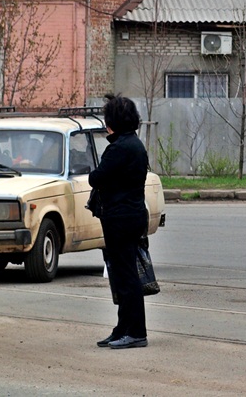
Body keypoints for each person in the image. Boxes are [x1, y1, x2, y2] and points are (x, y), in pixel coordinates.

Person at [88, 96, 151, 349]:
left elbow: (97, 178)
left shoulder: (119, 148)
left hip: (120, 219)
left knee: (126, 277)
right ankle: (123, 328)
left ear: (112, 121)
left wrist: (94, 174)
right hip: (132, 216)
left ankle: (135, 331)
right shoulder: (135, 144)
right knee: (124, 275)